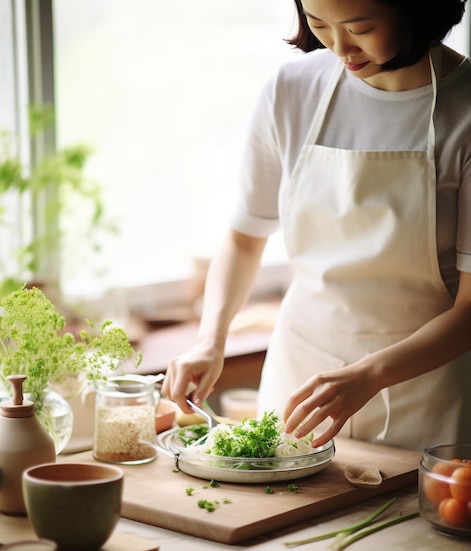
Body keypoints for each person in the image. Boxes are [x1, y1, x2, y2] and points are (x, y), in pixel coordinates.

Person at [162, 0, 471, 452]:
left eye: (359, 27)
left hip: (424, 398)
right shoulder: (292, 90)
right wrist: (210, 341)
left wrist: (370, 374)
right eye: (318, 23)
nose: (339, 47)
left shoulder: (464, 113)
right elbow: (245, 239)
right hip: (297, 379)